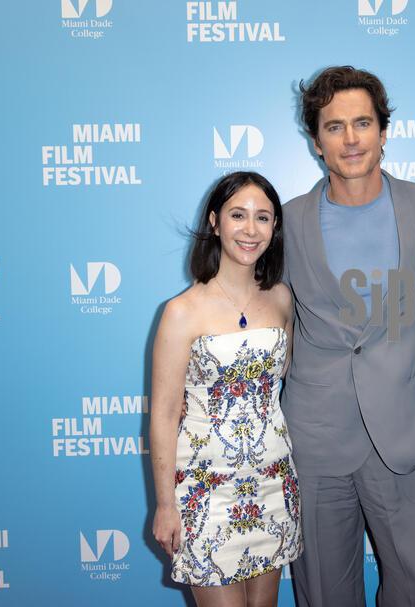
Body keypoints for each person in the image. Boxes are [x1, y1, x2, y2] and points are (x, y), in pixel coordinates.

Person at [281, 66, 415, 606]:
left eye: (362, 123)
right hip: (316, 438)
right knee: (325, 595)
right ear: (315, 140)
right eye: (334, 126)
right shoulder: (284, 223)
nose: (350, 139)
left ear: (383, 131)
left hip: (407, 436)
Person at [150, 171, 301, 607]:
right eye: (238, 215)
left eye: (263, 218)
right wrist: (165, 505)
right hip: (205, 491)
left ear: (275, 229)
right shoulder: (181, 312)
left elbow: (279, 385)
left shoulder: (282, 299)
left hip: (272, 485)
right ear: (215, 221)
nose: (250, 230)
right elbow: (162, 414)